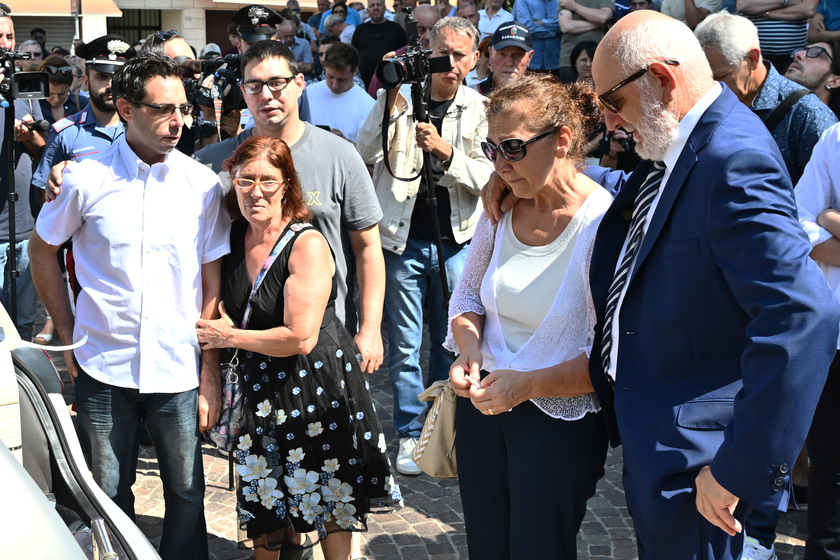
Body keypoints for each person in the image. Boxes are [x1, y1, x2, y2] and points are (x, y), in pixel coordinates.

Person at [584, 10, 838, 559]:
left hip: (706, 470)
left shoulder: (731, 157)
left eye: (612, 102)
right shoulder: (681, 141)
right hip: (672, 450)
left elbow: (802, 316)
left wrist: (739, 469)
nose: (608, 122)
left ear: (661, 78)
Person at [29, 53, 230, 560]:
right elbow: (42, 249)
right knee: (106, 492)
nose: (178, 122)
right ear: (124, 107)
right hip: (102, 361)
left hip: (177, 364)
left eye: (183, 108)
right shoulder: (81, 178)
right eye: (163, 109)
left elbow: (211, 284)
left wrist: (210, 372)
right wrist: (67, 330)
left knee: (186, 492)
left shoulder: (202, 186)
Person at [195, 135, 400, 559]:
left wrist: (226, 337)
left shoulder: (306, 244)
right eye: (245, 180)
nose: (256, 191)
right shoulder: (231, 237)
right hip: (260, 384)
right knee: (264, 496)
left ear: (288, 184)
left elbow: (300, 336)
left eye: (267, 180)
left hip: (313, 382)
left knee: (326, 495)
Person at [446, 74, 610, 559]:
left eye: (513, 147)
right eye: (491, 149)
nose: (499, 165)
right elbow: (466, 301)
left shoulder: (604, 223)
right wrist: (469, 352)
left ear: (561, 141)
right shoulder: (499, 209)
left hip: (560, 420)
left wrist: (528, 384)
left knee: (539, 549)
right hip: (484, 408)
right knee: (487, 547)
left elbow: (609, 355)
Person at [193, 40, 385, 377]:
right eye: (254, 85)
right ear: (242, 90)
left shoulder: (340, 155)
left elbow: (368, 247)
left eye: (277, 83)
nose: (266, 95)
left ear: (299, 85)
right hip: (237, 345)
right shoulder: (210, 164)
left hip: (324, 339)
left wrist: (370, 328)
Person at [356, 17, 493, 476]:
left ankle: (444, 428)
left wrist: (446, 153)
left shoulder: (480, 108)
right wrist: (390, 101)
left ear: (475, 60)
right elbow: (365, 152)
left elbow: (491, 179)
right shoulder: (393, 99)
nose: (450, 64)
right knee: (405, 345)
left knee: (450, 340)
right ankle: (412, 435)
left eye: (460, 56)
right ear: (427, 50)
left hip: (456, 242)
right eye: (443, 53)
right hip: (400, 240)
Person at [30, 34, 136, 345]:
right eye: (101, 77)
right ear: (86, 78)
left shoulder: (144, 132)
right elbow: (44, 201)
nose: (110, 85)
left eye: (118, 77)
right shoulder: (66, 134)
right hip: (85, 263)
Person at [694, 11, 837, 184]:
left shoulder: (809, 115)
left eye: (720, 76)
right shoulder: (705, 98)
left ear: (752, 59)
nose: (711, 86)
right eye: (705, 78)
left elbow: (828, 195)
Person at [794, 121, 840, 560]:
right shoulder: (837, 138)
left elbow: (818, 219)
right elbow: (800, 225)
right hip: (836, 334)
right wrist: (823, 221)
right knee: (831, 465)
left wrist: (833, 218)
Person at [0, 7, 45, 342]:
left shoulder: (24, 88)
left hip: (24, 223)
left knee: (24, 323)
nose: (5, 43)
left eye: (10, 36)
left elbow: (43, 147)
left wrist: (29, 137)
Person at [306, 43, 375, 142]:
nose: (334, 85)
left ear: (355, 71)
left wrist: (345, 143)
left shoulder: (368, 105)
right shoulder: (308, 93)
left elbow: (369, 153)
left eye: (341, 80)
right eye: (330, 77)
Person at [736, 0, 818, 71]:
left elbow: (808, 9)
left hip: (792, 58)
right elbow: (743, 5)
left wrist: (766, 13)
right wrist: (786, 1)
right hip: (752, 56)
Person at [351, 0, 408, 90]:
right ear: (368, 10)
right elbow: (353, 53)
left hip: (392, 79)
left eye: (379, 5)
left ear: (385, 8)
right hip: (365, 80)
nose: (375, 8)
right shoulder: (360, 30)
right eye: (372, 5)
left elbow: (406, 51)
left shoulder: (396, 29)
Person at [557, 0, 614, 82]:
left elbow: (604, 17)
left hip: (597, 61)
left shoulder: (571, 3)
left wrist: (574, 6)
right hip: (569, 61)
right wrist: (599, 24)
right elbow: (566, 26)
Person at [785, 39, 840, 117]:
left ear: (834, 81)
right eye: (803, 50)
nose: (798, 54)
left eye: (816, 53)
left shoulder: (825, 127)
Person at [476, 23, 534, 96]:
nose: (509, 63)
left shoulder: (541, 99)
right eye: (502, 54)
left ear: (529, 57)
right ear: (490, 54)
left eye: (518, 55)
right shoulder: (472, 97)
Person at [514, 0, 562, 72]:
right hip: (530, 64)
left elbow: (565, 25)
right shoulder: (522, 1)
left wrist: (542, 22)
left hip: (558, 63)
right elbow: (526, 28)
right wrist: (554, 32)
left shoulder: (563, 1)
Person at [38, 55, 78, 125]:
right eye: (50, 93)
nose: (56, 99)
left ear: (69, 86)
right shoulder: (33, 106)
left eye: (62, 94)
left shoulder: (81, 104)